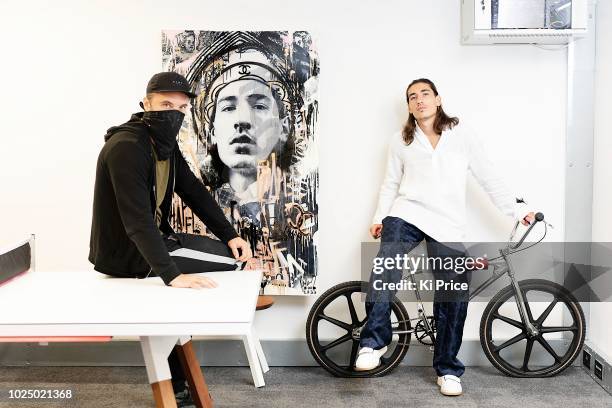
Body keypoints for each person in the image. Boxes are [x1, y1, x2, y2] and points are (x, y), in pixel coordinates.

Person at [355, 78, 535, 396]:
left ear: (438, 99)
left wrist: (517, 210)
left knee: (453, 290)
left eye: (425, 94)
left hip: (447, 224)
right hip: (406, 214)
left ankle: (448, 368)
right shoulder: (400, 140)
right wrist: (378, 218)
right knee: (386, 262)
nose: (419, 100)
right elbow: (390, 183)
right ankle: (373, 342)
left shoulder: (461, 135)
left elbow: (487, 175)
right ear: (409, 106)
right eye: (413, 97)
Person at [89, 71, 252, 407]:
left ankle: (178, 377)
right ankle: (176, 379)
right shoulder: (126, 148)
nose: (172, 114)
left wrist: (230, 235)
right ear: (145, 104)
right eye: (164, 104)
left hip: (157, 243)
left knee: (233, 257)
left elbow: (193, 192)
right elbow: (136, 222)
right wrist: (172, 274)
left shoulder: (163, 146)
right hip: (129, 256)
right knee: (231, 270)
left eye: (180, 108)